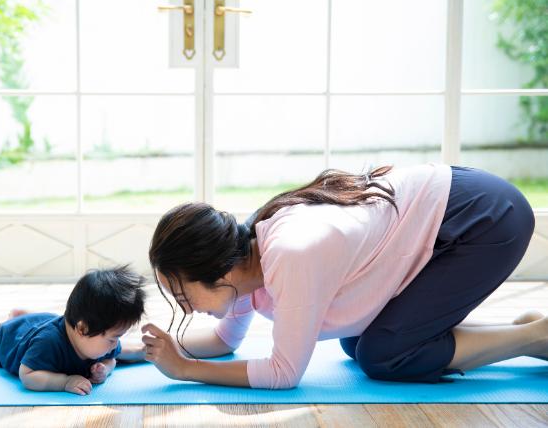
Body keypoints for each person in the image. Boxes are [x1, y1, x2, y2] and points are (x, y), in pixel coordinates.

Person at [141, 164, 541, 389]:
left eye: (185, 296)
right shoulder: (245, 257)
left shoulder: (290, 255)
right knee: (357, 342)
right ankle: (520, 328)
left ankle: (533, 336)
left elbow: (283, 373)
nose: (186, 307)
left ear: (219, 271)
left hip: (480, 220)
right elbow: (223, 340)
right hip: (447, 214)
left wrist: (186, 370)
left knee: (384, 355)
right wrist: (128, 348)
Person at [0, 266, 146, 395]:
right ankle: (7, 322)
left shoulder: (98, 340)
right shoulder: (47, 343)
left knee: (43, 323)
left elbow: (112, 358)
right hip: (7, 338)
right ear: (82, 328)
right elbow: (27, 375)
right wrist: (65, 382)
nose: (115, 344)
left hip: (47, 322)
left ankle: (25, 316)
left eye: (117, 337)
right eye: (112, 339)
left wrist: (106, 369)